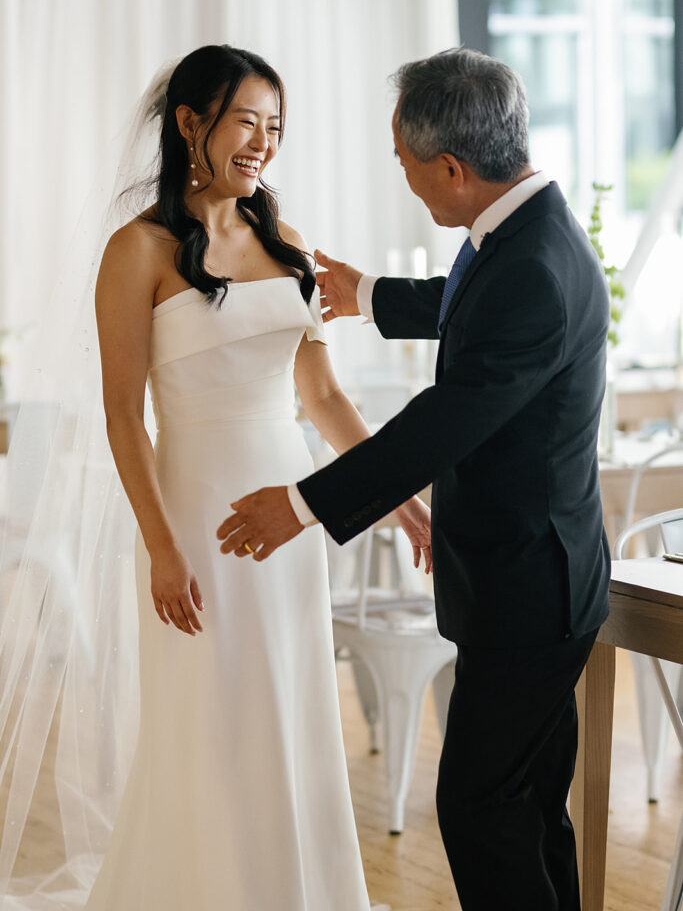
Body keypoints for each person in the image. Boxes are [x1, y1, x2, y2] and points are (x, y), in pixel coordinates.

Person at [218, 46, 612, 911]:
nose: (404, 180)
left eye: (402, 163)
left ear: (449, 166)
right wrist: (371, 297)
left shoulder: (533, 270)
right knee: (527, 807)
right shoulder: (523, 231)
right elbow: (474, 303)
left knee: (479, 807)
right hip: (541, 577)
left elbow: (439, 425)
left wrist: (301, 505)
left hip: (527, 586)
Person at [44, 44, 430, 910]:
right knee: (210, 723)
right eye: (246, 122)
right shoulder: (135, 251)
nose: (262, 142)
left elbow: (323, 397)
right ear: (190, 124)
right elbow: (121, 415)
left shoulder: (286, 241)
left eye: (276, 127)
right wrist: (161, 549)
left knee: (291, 713)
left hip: (292, 517)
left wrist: (400, 503)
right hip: (194, 523)